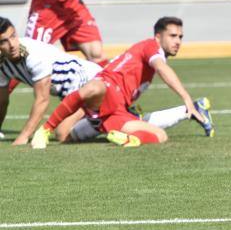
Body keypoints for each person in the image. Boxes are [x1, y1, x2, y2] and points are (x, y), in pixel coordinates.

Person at [30, 17, 214, 149]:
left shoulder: (153, 55)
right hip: (105, 91)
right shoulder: (151, 47)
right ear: (158, 37)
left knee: (160, 135)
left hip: (115, 111)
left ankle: (129, 139)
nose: (178, 41)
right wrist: (186, 98)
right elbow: (162, 69)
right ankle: (44, 130)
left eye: (180, 37)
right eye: (173, 36)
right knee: (94, 86)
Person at [0, 16, 101, 145]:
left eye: (13, 36)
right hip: (74, 95)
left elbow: (42, 100)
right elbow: (2, 101)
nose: (12, 45)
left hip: (92, 83)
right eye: (4, 41)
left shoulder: (33, 54)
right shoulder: (2, 64)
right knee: (63, 133)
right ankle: (105, 116)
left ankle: (111, 118)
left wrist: (23, 137)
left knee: (62, 133)